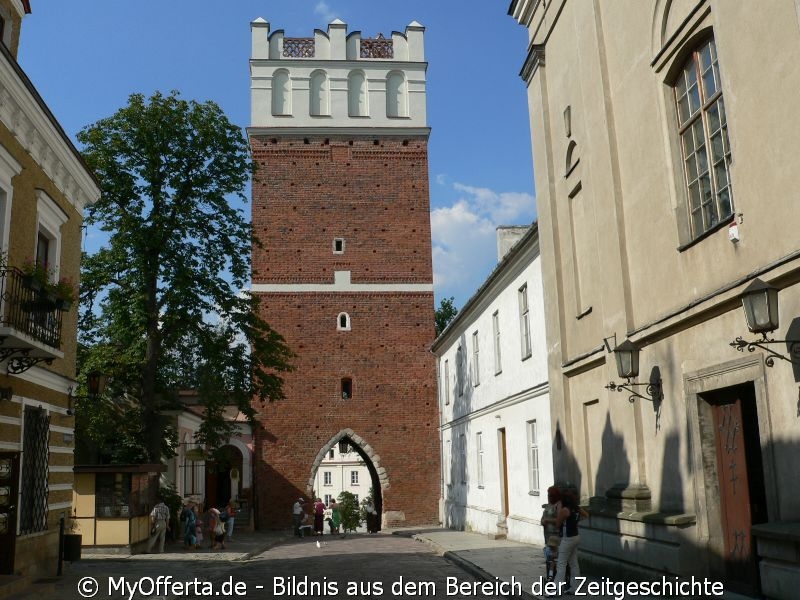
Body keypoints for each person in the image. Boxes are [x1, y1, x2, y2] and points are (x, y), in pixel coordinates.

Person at [553, 490, 589, 593]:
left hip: (567, 538)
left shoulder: (565, 510)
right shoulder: (576, 508)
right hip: (576, 536)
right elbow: (586, 515)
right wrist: (576, 521)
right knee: (574, 563)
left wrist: (559, 508)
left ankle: (556, 589)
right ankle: (575, 587)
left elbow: (557, 523)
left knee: (561, 563)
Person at [540, 486, 562, 582]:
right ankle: (550, 575)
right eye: (548, 495)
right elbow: (543, 517)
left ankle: (554, 577)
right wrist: (542, 521)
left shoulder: (558, 505)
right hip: (547, 534)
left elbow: (559, 519)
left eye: (551, 495)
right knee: (549, 557)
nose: (549, 497)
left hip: (555, 535)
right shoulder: (548, 505)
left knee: (554, 557)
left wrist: (547, 520)